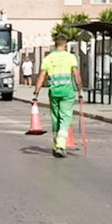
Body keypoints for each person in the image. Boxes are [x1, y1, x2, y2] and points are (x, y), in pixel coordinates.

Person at [32, 29, 83, 159]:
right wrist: (80, 91)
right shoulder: (70, 57)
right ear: (65, 44)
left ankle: (55, 146)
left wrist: (36, 94)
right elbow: (76, 75)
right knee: (65, 119)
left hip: (53, 92)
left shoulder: (48, 58)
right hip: (67, 92)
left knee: (55, 119)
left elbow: (41, 77)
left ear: (55, 44)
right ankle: (60, 146)